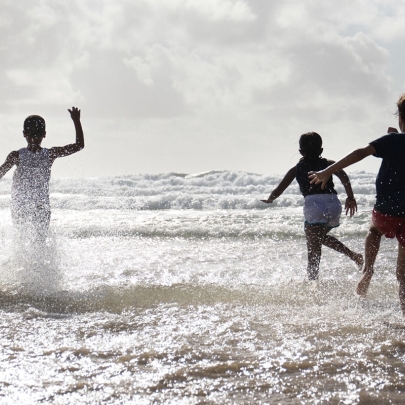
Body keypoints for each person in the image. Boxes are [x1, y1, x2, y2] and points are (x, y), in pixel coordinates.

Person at [309, 94, 405, 313]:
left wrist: (328, 171)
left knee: (374, 231)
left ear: (400, 116)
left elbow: (360, 153)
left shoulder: (391, 141)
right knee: (403, 277)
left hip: (386, 212)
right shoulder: (395, 140)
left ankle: (368, 269)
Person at [261, 132, 363, 281]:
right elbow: (343, 175)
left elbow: (280, 189)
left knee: (313, 250)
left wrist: (270, 199)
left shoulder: (296, 169)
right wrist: (350, 197)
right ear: (321, 150)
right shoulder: (329, 164)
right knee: (319, 237)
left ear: (301, 152)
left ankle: (312, 286)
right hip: (333, 203)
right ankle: (353, 256)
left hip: (314, 206)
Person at [0, 107, 84, 242]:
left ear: (24, 133)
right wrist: (76, 121)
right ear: (44, 134)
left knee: (26, 242)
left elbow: (79, 146)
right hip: (32, 206)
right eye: (33, 133)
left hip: (28, 206)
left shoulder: (18, 155)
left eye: (36, 134)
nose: (34, 137)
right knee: (36, 243)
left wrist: (76, 120)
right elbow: (79, 145)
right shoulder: (49, 154)